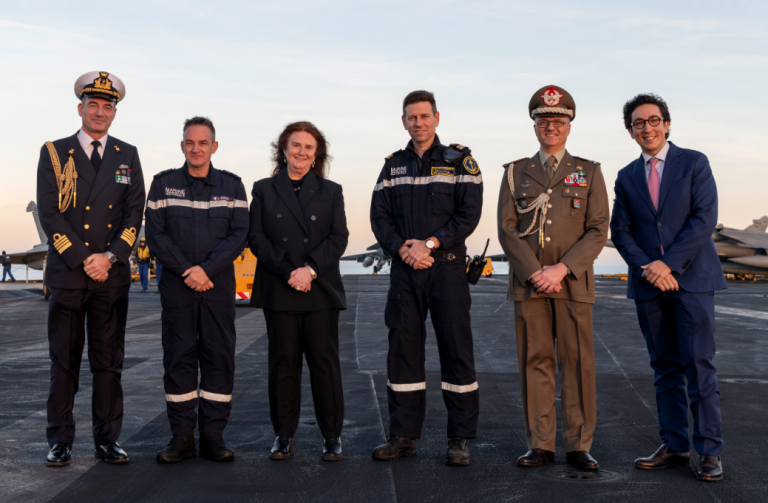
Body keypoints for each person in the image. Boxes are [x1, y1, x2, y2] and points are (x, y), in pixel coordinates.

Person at [610, 94, 726, 481]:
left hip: (692, 281)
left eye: (654, 120)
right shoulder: (626, 175)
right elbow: (620, 231)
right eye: (638, 123)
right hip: (649, 285)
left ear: (667, 123)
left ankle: (709, 451)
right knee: (664, 368)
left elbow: (704, 218)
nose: (647, 128)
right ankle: (675, 444)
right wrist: (649, 268)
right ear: (631, 131)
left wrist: (668, 264)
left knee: (699, 366)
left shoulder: (694, 162)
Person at [36, 71, 145, 467]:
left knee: (108, 362)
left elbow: (134, 212)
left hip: (110, 276)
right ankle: (60, 440)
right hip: (69, 273)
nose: (100, 112)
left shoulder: (127, 154)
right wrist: (85, 258)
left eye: (107, 106)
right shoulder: (54, 152)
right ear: (80, 108)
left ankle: (107, 439)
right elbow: (50, 212)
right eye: (93, 105)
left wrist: (110, 257)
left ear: (115, 112)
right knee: (64, 362)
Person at [497, 85, 609, 471]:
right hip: (529, 286)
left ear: (569, 126)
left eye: (558, 121)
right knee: (536, 362)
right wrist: (534, 273)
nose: (551, 127)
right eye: (544, 121)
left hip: (573, 283)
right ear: (534, 126)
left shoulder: (588, 172)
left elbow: (598, 229)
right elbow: (507, 229)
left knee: (578, 364)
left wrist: (561, 269)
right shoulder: (515, 173)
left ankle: (579, 445)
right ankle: (540, 444)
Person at [370, 90, 482, 466]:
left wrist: (430, 244)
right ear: (404, 122)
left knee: (456, 351)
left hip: (447, 269)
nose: (418, 122)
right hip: (405, 272)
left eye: (424, 116)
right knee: (403, 353)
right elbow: (379, 217)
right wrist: (402, 249)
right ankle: (403, 436)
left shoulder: (460, 161)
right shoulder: (392, 166)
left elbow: (468, 214)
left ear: (437, 117)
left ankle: (459, 438)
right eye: (411, 117)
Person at [145, 116, 248, 463]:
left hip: (217, 288)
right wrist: (188, 270)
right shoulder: (163, 185)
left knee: (219, 357)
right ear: (182, 146)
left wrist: (207, 269)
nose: (196, 149)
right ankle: (182, 437)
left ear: (214, 147)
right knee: (179, 358)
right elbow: (156, 235)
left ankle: (213, 436)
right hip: (178, 288)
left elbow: (239, 235)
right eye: (190, 143)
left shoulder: (233, 186)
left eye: (203, 143)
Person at [248, 121, 349, 462]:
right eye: (295, 145)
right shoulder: (263, 189)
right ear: (284, 149)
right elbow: (257, 238)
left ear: (317, 154)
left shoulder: (331, 190)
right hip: (280, 288)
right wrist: (289, 272)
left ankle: (332, 435)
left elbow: (339, 238)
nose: (301, 152)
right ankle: (283, 435)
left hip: (319, 290)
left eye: (308, 147)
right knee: (283, 366)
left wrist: (310, 270)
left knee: (324, 366)